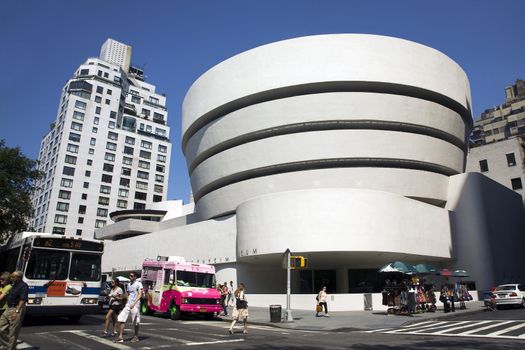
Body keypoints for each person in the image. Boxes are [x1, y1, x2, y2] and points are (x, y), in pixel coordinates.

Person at [0, 271, 28, 350]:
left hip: (16, 309)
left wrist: (16, 311)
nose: (11, 278)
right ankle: (6, 345)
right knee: (1, 328)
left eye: (13, 277)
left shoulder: (23, 286)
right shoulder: (14, 285)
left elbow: (23, 299)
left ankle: (10, 348)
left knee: (12, 332)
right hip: (8, 308)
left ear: (18, 278)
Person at [115, 273, 143, 343]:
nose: (130, 277)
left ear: (135, 277)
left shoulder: (138, 284)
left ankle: (136, 336)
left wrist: (134, 303)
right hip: (128, 304)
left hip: (135, 304)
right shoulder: (128, 285)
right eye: (130, 276)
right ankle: (120, 337)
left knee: (135, 321)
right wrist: (122, 297)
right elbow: (128, 295)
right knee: (121, 318)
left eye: (132, 276)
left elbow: (140, 294)